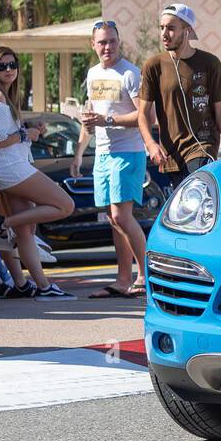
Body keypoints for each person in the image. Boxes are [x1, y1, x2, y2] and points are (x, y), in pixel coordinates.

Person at [0, 46, 75, 300]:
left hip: (7, 166)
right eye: (2, 66)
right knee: (65, 205)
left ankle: (40, 286)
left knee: (26, 230)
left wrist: (28, 129)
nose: (8, 70)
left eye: (12, 65)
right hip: (10, 167)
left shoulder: (0, 97)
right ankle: (3, 223)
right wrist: (24, 134)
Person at [72, 20, 148, 298]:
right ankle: (122, 279)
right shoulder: (92, 74)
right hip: (103, 153)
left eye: (112, 41)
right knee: (113, 220)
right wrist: (80, 152)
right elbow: (90, 116)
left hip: (129, 151)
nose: (108, 47)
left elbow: (144, 116)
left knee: (121, 216)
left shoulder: (130, 73)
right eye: (102, 42)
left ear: (119, 42)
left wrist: (108, 119)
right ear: (93, 45)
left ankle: (145, 277)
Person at [137, 3, 221, 192]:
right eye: (162, 27)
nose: (165, 34)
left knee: (196, 195)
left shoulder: (210, 63)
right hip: (170, 153)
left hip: (202, 146)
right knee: (183, 213)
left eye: (171, 28)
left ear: (187, 30)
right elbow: (142, 114)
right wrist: (151, 144)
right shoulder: (153, 66)